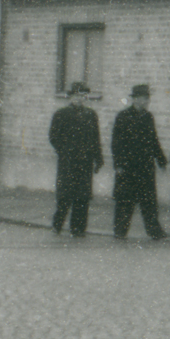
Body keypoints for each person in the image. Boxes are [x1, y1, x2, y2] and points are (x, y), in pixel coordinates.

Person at [111, 84, 167, 239]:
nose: (146, 101)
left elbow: (153, 140)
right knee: (125, 201)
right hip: (128, 167)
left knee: (149, 201)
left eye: (147, 99)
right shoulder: (123, 117)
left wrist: (161, 159)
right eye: (143, 98)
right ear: (134, 99)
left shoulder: (148, 117)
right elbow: (116, 143)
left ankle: (154, 231)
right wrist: (119, 164)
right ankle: (120, 230)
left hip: (145, 166)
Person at [49, 80, 104, 236]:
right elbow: (53, 137)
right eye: (76, 96)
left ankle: (78, 228)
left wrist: (98, 158)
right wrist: (64, 151)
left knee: (82, 196)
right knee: (65, 195)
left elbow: (95, 138)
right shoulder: (61, 114)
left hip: (85, 161)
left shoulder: (91, 115)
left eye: (83, 96)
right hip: (68, 162)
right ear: (70, 97)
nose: (79, 99)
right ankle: (57, 224)